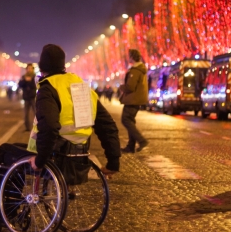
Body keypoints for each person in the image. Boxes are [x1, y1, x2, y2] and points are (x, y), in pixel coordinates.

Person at [27, 44, 120, 177]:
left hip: (55, 152)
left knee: (5, 152)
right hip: (80, 151)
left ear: (41, 68)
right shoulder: (81, 85)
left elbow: (49, 127)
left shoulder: (47, 88)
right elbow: (106, 124)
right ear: (63, 66)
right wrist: (113, 161)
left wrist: (39, 161)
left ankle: (11, 197)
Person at [120, 49, 150, 153]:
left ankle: (141, 140)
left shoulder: (135, 70)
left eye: (129, 56)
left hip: (133, 99)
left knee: (126, 120)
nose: (128, 58)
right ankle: (130, 146)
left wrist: (121, 87)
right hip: (137, 99)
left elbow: (130, 86)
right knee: (130, 121)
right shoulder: (140, 69)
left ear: (132, 57)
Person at [18, 63, 38, 132]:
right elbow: (20, 85)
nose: (29, 70)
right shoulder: (24, 77)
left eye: (30, 68)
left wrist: (30, 81)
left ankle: (38, 127)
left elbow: (36, 86)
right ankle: (27, 128)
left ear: (32, 69)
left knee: (36, 113)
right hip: (26, 97)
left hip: (33, 97)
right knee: (26, 114)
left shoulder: (35, 77)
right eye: (28, 68)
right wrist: (25, 81)